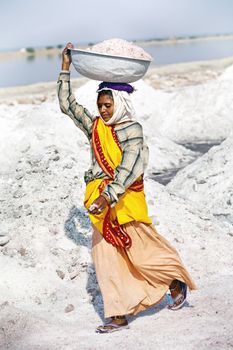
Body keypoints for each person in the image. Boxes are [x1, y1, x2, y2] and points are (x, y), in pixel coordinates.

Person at [57, 42, 197, 333]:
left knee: (142, 252)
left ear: (119, 103)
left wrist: (109, 196)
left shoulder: (133, 130)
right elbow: (68, 106)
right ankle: (118, 314)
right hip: (100, 205)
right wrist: (66, 68)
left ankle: (173, 281)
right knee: (105, 258)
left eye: (108, 105)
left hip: (124, 202)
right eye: (100, 106)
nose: (103, 110)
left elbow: (130, 168)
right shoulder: (96, 128)